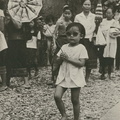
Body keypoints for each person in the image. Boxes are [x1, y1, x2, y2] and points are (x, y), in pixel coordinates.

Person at [54, 22, 88, 120]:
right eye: (68, 34)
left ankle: (76, 118)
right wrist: (60, 58)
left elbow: (81, 63)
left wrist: (68, 59)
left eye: (75, 34)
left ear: (81, 36)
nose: (71, 36)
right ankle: (64, 115)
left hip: (75, 76)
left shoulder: (81, 48)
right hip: (63, 75)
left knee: (74, 100)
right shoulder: (64, 47)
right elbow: (57, 60)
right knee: (57, 96)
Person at [74, 0, 97, 83]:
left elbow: (94, 27)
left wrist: (89, 35)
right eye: (85, 4)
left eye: (89, 4)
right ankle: (77, 76)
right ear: (82, 6)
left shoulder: (94, 16)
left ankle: (86, 78)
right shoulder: (78, 16)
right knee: (79, 58)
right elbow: (76, 27)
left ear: (91, 6)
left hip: (90, 39)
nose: (87, 6)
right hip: (81, 39)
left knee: (89, 58)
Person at [5, 15, 30, 88]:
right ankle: (7, 81)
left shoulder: (20, 17)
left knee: (22, 60)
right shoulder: (8, 18)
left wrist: (12, 17)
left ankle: (26, 82)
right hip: (11, 41)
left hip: (20, 41)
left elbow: (18, 26)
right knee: (9, 60)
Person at [52, 5, 72, 85]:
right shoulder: (59, 22)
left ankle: (65, 78)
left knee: (67, 58)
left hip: (67, 41)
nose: (67, 15)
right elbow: (54, 34)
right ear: (63, 13)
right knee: (57, 59)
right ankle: (55, 78)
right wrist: (54, 43)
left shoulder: (71, 23)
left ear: (71, 14)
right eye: (65, 13)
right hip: (59, 40)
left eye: (69, 13)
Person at [98, 8, 120, 79]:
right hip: (104, 41)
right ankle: (103, 72)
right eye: (107, 13)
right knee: (103, 56)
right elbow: (101, 29)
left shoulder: (115, 22)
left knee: (111, 56)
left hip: (112, 41)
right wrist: (107, 30)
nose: (108, 14)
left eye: (110, 13)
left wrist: (112, 30)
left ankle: (110, 73)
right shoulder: (103, 21)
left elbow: (117, 31)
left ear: (113, 14)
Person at [0, 3, 8, 91]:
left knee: (1, 62)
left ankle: (4, 83)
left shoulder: (0, 13)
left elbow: (1, 28)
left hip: (0, 40)